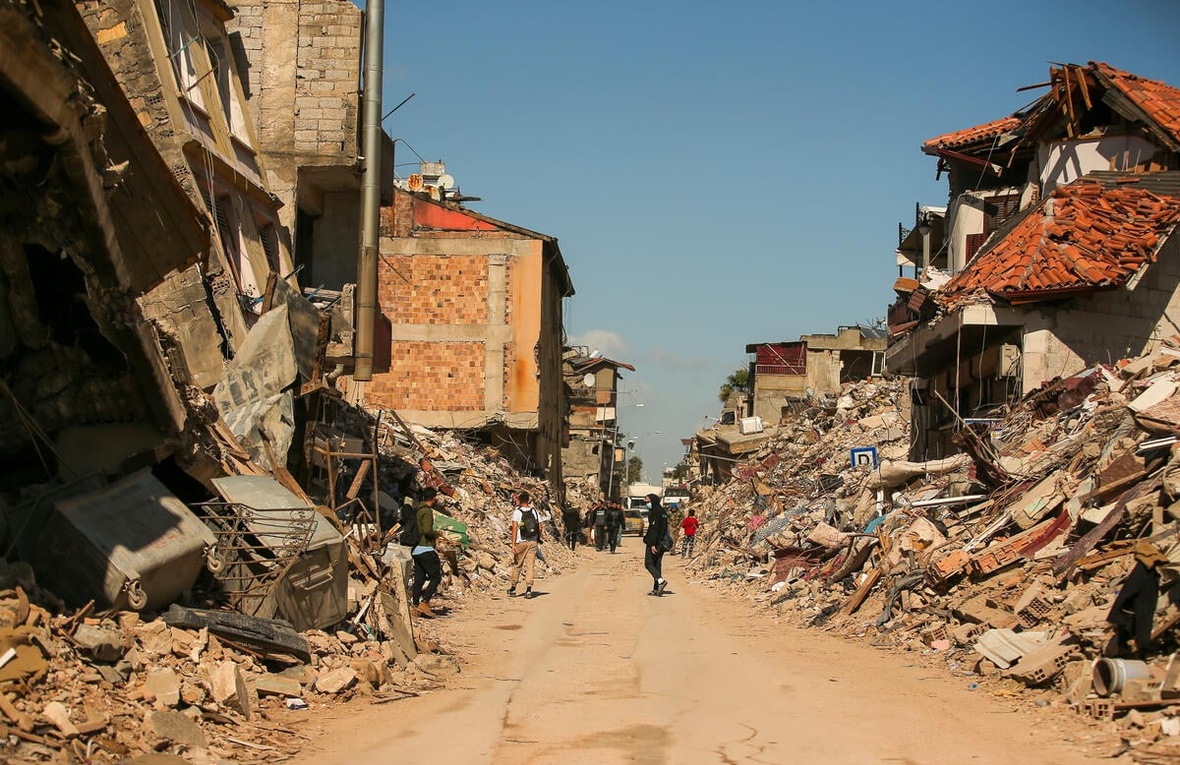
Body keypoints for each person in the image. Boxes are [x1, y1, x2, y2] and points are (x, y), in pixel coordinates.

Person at [410, 487, 444, 618]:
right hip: (426, 548)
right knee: (436, 577)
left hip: (416, 549)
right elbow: (427, 531)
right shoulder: (427, 511)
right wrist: (437, 534)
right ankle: (425, 602)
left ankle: (415, 606)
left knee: (419, 579)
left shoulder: (417, 509)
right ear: (434, 498)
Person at [507, 490, 543, 599]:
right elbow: (540, 526)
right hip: (533, 542)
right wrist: (537, 538)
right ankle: (528, 589)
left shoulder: (517, 512)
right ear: (528, 500)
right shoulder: (534, 511)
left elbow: (514, 528)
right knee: (530, 566)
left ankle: (513, 588)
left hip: (521, 542)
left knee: (518, 565)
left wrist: (513, 544)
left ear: (520, 500)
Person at [642, 493, 670, 596]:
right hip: (662, 542)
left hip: (655, 543)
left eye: (648, 502)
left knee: (648, 563)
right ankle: (657, 588)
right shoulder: (663, 512)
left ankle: (660, 580)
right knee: (657, 565)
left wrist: (652, 544)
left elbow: (654, 529)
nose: (647, 504)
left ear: (653, 501)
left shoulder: (655, 512)